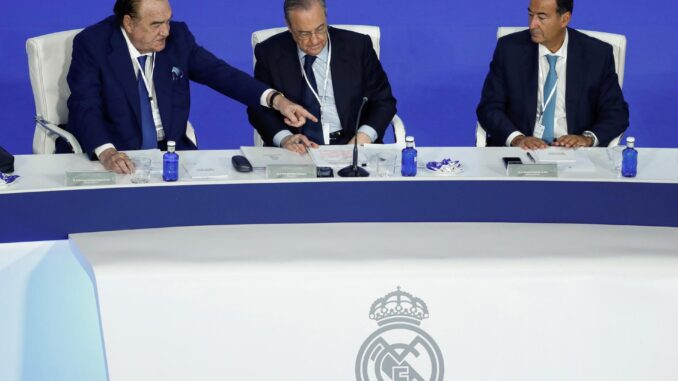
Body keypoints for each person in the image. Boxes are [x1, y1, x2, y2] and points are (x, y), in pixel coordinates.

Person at [67, 0, 317, 173]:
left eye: (168, 20)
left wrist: (277, 100)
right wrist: (107, 152)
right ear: (129, 22)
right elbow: (83, 105)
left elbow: (221, 74)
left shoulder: (178, 37)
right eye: (156, 24)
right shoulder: (93, 44)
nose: (166, 31)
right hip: (118, 153)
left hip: (174, 155)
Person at [247, 0, 397, 153]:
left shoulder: (358, 46)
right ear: (289, 26)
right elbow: (259, 108)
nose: (314, 40)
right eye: (304, 34)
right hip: (296, 147)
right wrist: (285, 138)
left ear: (326, 18)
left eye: (320, 29)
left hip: (352, 142)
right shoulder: (269, 52)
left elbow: (383, 101)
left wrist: (363, 138)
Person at [476, 0, 629, 149]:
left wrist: (586, 139)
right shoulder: (509, 49)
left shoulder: (597, 55)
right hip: (523, 149)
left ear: (564, 19)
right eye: (530, 15)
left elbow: (616, 113)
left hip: (576, 152)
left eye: (541, 17)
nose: (532, 24)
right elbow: (489, 108)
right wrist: (517, 138)